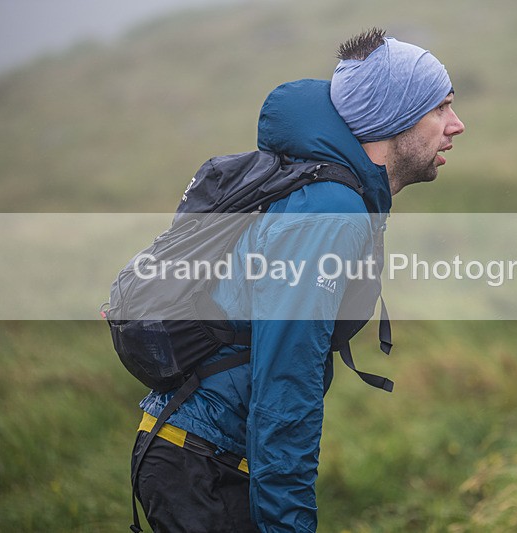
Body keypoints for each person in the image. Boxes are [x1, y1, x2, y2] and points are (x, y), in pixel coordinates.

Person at [131, 27, 465, 532]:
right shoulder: (330, 210)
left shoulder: (333, 194)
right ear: (394, 118)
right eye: (439, 108)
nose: (457, 125)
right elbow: (286, 384)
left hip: (206, 454)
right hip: (203, 465)